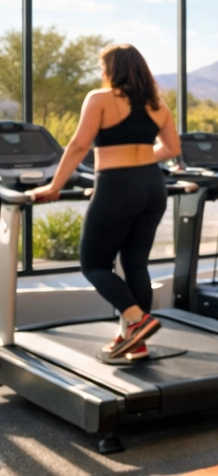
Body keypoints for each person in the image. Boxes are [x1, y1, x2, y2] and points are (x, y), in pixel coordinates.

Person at [30, 44, 180, 361]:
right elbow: (171, 148)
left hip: (117, 187)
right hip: (153, 186)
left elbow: (79, 144)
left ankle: (138, 320)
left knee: (94, 264)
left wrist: (55, 185)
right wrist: (137, 161)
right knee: (135, 263)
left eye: (103, 67)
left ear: (112, 69)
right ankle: (134, 342)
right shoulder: (158, 105)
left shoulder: (100, 98)